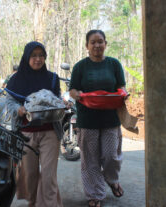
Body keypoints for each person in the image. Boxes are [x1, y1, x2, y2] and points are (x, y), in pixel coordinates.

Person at [69, 29, 126, 207]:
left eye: (100, 41)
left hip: (111, 119)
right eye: (93, 42)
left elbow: (121, 86)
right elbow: (72, 90)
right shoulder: (80, 66)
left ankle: (112, 179)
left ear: (105, 44)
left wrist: (123, 94)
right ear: (87, 46)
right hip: (88, 120)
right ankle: (95, 195)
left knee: (111, 156)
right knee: (90, 160)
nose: (97, 45)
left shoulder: (114, 64)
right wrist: (77, 94)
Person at [5, 41, 64, 207]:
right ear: (26, 57)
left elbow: (56, 99)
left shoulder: (52, 78)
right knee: (29, 174)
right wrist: (19, 110)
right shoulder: (16, 80)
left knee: (48, 175)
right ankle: (33, 202)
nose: (38, 59)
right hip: (26, 133)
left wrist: (61, 104)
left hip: (50, 132)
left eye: (41, 55)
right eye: (34, 55)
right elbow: (9, 102)